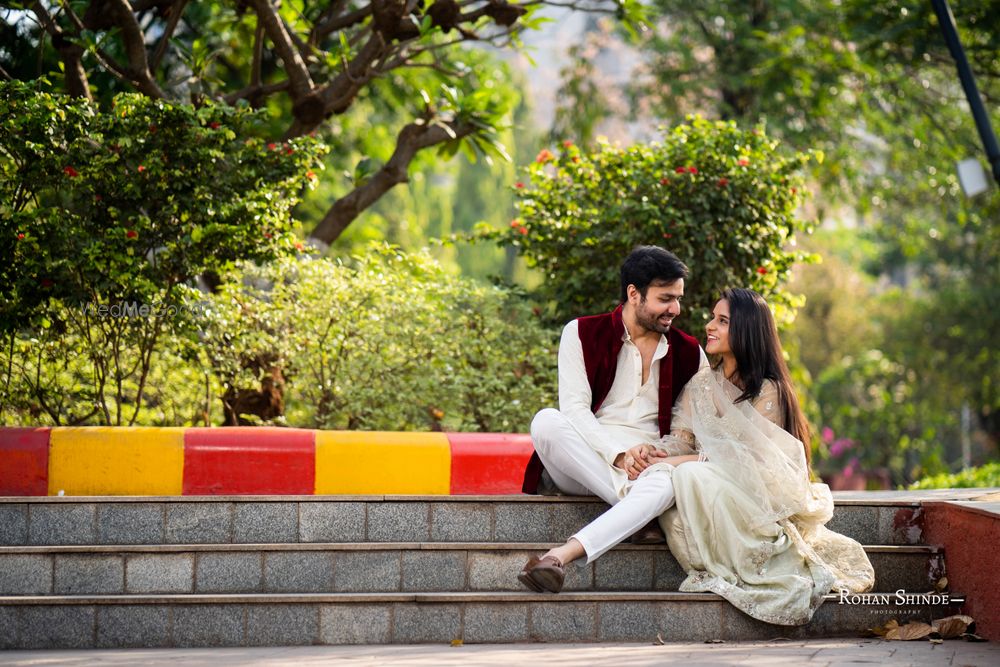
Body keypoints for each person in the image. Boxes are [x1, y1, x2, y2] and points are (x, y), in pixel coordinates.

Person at [520, 288, 875, 627]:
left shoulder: (769, 390)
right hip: (674, 480)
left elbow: (748, 462)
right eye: (713, 318)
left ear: (747, 331)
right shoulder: (701, 384)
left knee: (683, 477)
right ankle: (632, 517)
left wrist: (669, 464)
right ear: (633, 293)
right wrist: (652, 452)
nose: (709, 325)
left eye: (722, 321)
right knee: (661, 471)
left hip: (748, 498)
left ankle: (567, 552)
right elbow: (681, 439)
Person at [518, 246, 709, 592]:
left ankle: (558, 557)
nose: (675, 309)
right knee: (546, 421)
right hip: (584, 459)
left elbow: (699, 426)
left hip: (651, 467)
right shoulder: (579, 333)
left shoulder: (690, 352)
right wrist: (619, 455)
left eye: (678, 299)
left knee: (667, 480)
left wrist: (651, 458)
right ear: (633, 294)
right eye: (665, 298)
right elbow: (575, 410)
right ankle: (640, 511)